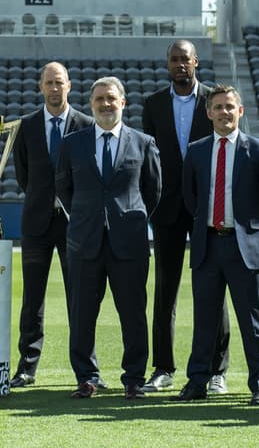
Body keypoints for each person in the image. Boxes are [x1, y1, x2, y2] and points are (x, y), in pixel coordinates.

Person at [175, 85, 259, 406]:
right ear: (208, 112)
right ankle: (197, 382)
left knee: (253, 322)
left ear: (240, 111)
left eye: (229, 106)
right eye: (218, 107)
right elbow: (190, 197)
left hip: (244, 247)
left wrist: (250, 228)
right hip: (208, 245)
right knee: (205, 321)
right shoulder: (196, 151)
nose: (224, 112)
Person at [56, 77, 161, 400]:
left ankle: (133, 378)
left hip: (129, 243)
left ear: (123, 103)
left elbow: (153, 191)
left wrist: (128, 218)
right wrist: (87, 217)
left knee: (132, 313)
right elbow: (63, 188)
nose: (105, 104)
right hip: (84, 241)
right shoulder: (72, 143)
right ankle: (86, 377)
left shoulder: (143, 142)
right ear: (91, 104)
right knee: (82, 313)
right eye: (99, 99)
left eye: (111, 98)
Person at [141, 40, 228, 393]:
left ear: (196, 62)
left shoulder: (214, 99)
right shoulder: (153, 104)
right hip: (167, 210)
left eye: (185, 59)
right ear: (168, 64)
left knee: (214, 290)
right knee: (165, 292)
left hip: (208, 208)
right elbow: (149, 159)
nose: (180, 64)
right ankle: (163, 368)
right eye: (174, 59)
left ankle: (217, 370)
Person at [10, 62, 96, 388]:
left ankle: (85, 370)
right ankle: (26, 368)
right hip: (36, 225)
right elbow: (23, 175)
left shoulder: (86, 125)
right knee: (32, 299)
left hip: (77, 225)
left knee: (80, 297)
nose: (54, 88)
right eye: (49, 82)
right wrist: (44, 201)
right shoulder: (27, 126)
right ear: (40, 87)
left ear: (69, 86)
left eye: (60, 82)